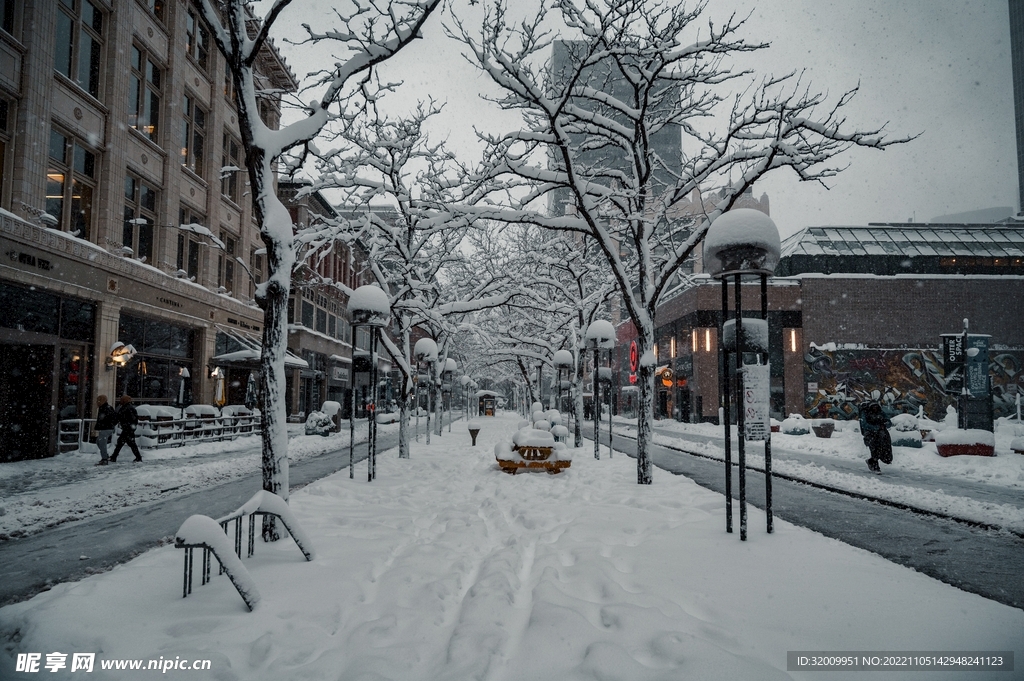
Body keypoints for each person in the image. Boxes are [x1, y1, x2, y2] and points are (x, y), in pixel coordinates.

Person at [859, 401, 893, 473]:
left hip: (882, 434)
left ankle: (884, 459)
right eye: (873, 407)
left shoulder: (881, 412)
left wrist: (884, 425)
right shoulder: (865, 413)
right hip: (870, 434)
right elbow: (864, 425)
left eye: (876, 407)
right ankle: (874, 465)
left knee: (885, 448)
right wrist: (876, 428)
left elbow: (889, 422)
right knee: (874, 448)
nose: (875, 408)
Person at [110, 395, 142, 463]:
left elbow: (121, 417)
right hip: (128, 429)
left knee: (124, 443)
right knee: (128, 443)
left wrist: (126, 425)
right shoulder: (129, 408)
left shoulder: (126, 408)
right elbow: (134, 419)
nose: (120, 401)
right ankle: (114, 456)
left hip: (127, 429)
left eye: (121, 400)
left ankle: (114, 456)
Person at [94, 395, 117, 466]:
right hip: (108, 428)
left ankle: (104, 459)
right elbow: (114, 418)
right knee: (99, 442)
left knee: (102, 443)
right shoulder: (108, 407)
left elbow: (103, 419)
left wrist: (102, 425)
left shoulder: (103, 408)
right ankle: (105, 457)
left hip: (105, 428)